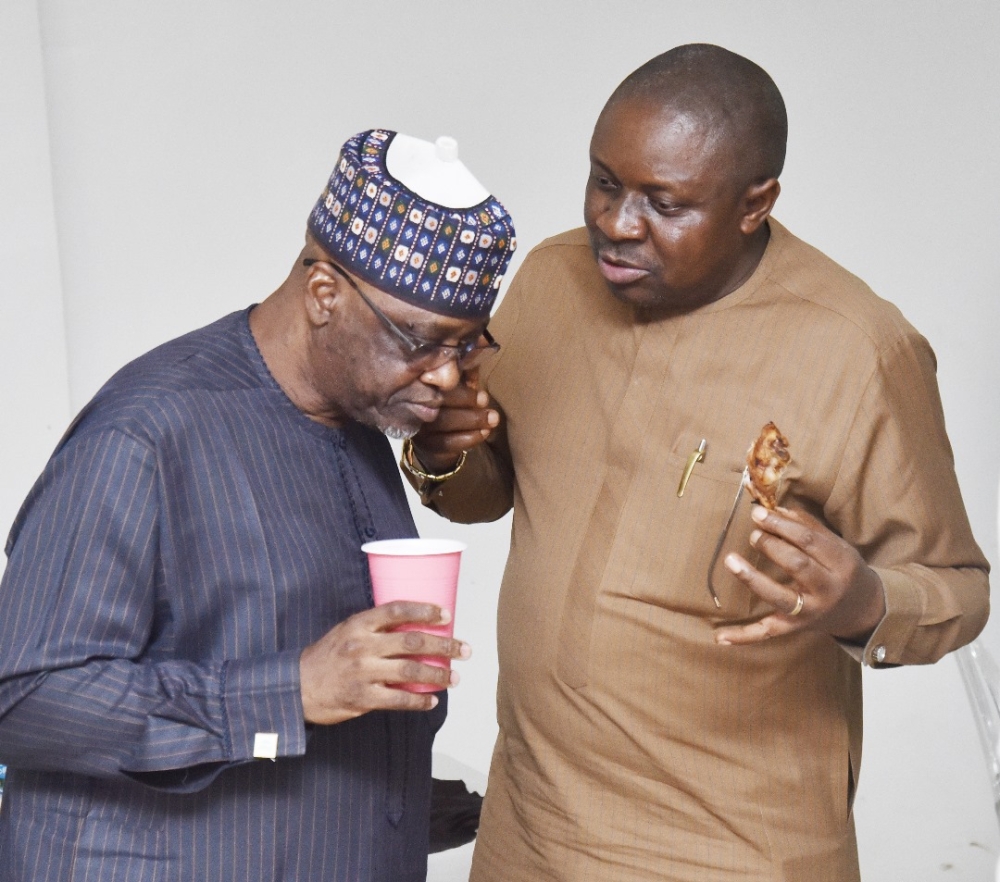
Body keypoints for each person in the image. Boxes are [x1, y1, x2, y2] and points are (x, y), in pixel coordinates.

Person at [405, 45, 990, 881]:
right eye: (605, 181)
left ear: (756, 204)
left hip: (726, 849)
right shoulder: (549, 280)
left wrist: (862, 600)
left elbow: (959, 590)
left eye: (665, 202)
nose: (616, 223)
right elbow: (487, 489)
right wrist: (441, 449)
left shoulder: (859, 350)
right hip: (528, 827)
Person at [0, 128, 515, 882]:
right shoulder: (147, 433)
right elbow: (24, 697)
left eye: (467, 346)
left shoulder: (361, 416)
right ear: (324, 295)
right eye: (422, 342)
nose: (445, 377)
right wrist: (293, 689)